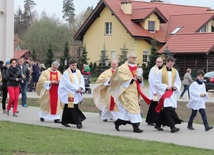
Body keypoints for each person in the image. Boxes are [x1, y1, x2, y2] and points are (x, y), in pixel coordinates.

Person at [110, 53, 150, 133]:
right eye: (133, 57)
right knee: (133, 107)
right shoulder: (122, 68)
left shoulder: (136, 68)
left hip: (135, 91)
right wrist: (132, 79)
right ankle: (136, 127)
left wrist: (140, 79)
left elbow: (139, 78)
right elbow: (121, 78)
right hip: (126, 91)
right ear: (128, 58)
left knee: (128, 110)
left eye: (135, 57)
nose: (134, 59)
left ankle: (118, 122)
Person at [154, 56, 182, 133]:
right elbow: (156, 83)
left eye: (172, 64)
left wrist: (175, 87)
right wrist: (166, 87)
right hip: (164, 93)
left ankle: (158, 124)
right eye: (170, 64)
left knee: (166, 109)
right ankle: (172, 127)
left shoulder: (175, 71)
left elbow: (178, 81)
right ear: (166, 62)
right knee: (167, 109)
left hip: (172, 93)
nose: (171, 66)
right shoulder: (160, 72)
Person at [58, 59, 86, 129]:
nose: (74, 67)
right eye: (72, 65)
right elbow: (67, 84)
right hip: (69, 92)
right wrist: (76, 89)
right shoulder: (66, 73)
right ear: (70, 65)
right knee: (73, 107)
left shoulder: (78, 72)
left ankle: (64, 121)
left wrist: (80, 87)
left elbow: (81, 80)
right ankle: (78, 122)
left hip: (76, 92)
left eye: (75, 65)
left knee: (68, 107)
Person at [146, 57, 164, 126]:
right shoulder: (153, 70)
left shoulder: (163, 69)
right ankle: (150, 120)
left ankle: (159, 120)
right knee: (153, 105)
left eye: (159, 62)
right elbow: (151, 81)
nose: (158, 63)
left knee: (161, 105)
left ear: (162, 62)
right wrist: (154, 91)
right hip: (155, 91)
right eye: (157, 62)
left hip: (161, 90)